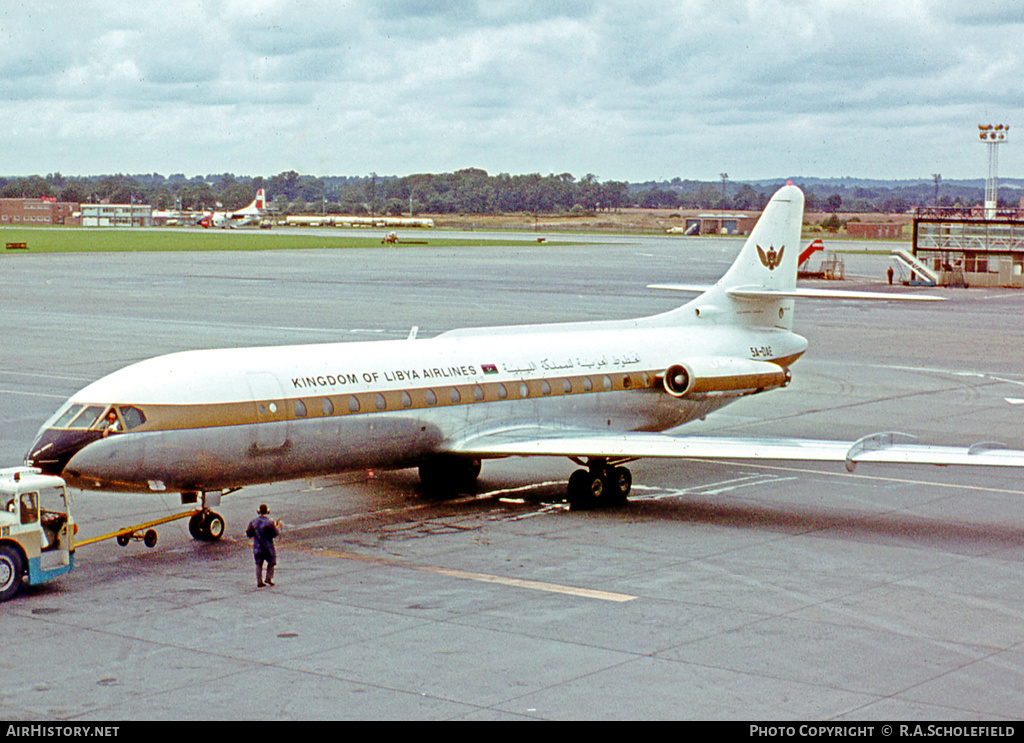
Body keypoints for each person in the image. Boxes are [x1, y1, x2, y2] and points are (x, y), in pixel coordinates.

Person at [246, 504, 280, 588]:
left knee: (258, 563)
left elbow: (248, 533)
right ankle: (268, 578)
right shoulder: (270, 522)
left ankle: (259, 581)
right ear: (267, 512)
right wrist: (276, 527)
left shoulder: (253, 522)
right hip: (268, 547)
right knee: (271, 562)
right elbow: (275, 534)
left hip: (257, 546)